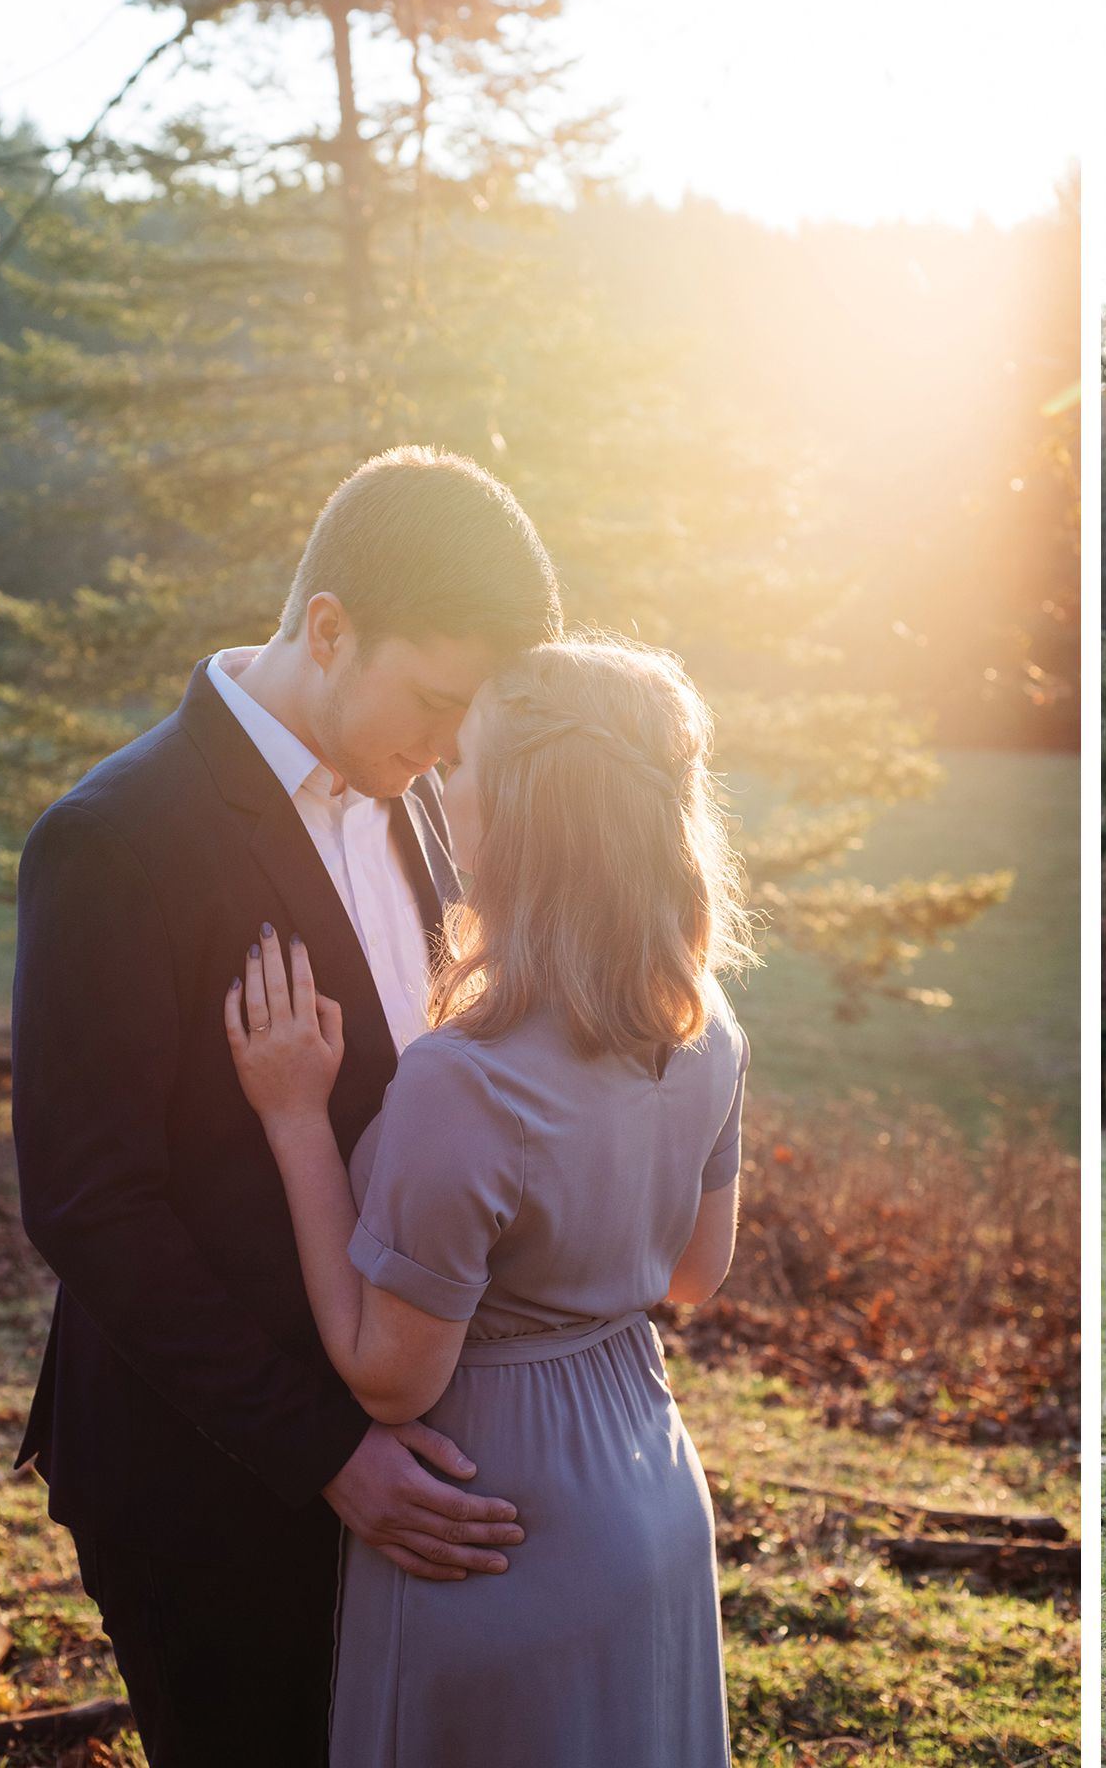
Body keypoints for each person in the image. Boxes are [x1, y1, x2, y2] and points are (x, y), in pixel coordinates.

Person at [10, 447, 562, 1767]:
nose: (442, 751)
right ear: (329, 629)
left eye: (464, 723)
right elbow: (92, 1207)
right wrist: (328, 1453)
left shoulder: (411, 799)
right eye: (430, 702)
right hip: (206, 1473)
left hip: (397, 1447)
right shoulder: (116, 839)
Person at [225, 633, 753, 1767]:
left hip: (496, 1529)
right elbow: (691, 1274)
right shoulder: (704, 1027)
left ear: (518, 817)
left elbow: (387, 1368)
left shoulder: (462, 1078)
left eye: (461, 764)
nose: (435, 781)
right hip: (649, 1488)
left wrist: (294, 1119)